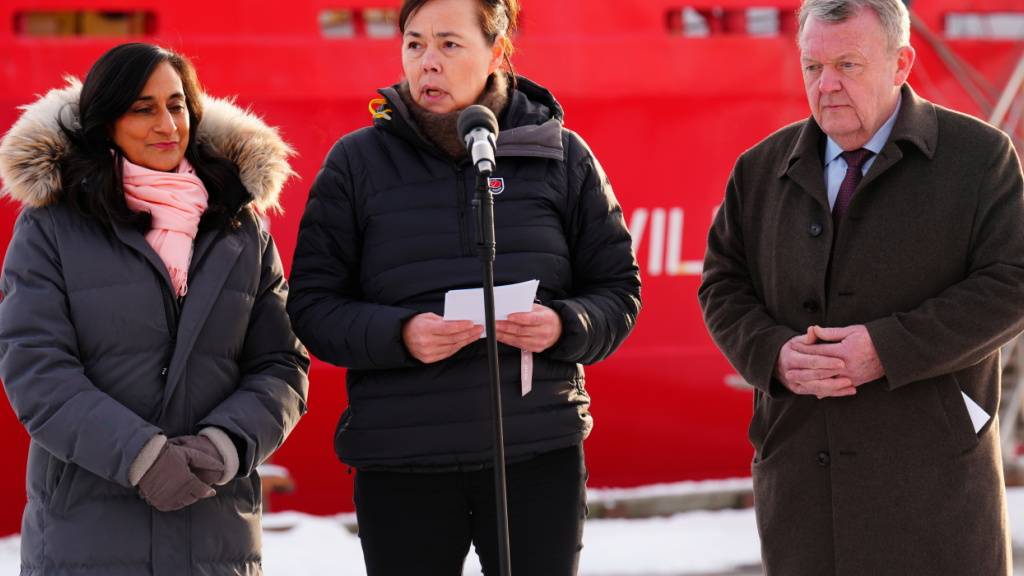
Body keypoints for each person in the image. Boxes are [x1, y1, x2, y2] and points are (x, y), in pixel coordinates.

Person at [286, 0, 641, 573]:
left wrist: (564, 326)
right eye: (414, 44)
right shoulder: (356, 164)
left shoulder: (561, 156)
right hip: (402, 461)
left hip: (535, 455)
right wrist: (401, 335)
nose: (428, 62)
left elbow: (618, 289)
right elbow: (311, 305)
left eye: (449, 44)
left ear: (497, 51)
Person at [698, 0, 1024, 573]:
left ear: (901, 64)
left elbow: (1013, 281)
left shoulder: (979, 159)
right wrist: (771, 354)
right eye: (812, 67)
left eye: (847, 65)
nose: (826, 86)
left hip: (934, 491)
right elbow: (722, 283)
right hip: (802, 489)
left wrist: (886, 349)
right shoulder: (758, 170)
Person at [0, 43, 309, 575]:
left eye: (177, 104)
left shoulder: (240, 228)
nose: (167, 124)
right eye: (143, 108)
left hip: (213, 538)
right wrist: (142, 458)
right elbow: (36, 368)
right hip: (86, 538)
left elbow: (282, 364)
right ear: (105, 122)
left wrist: (225, 447)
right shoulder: (51, 227)